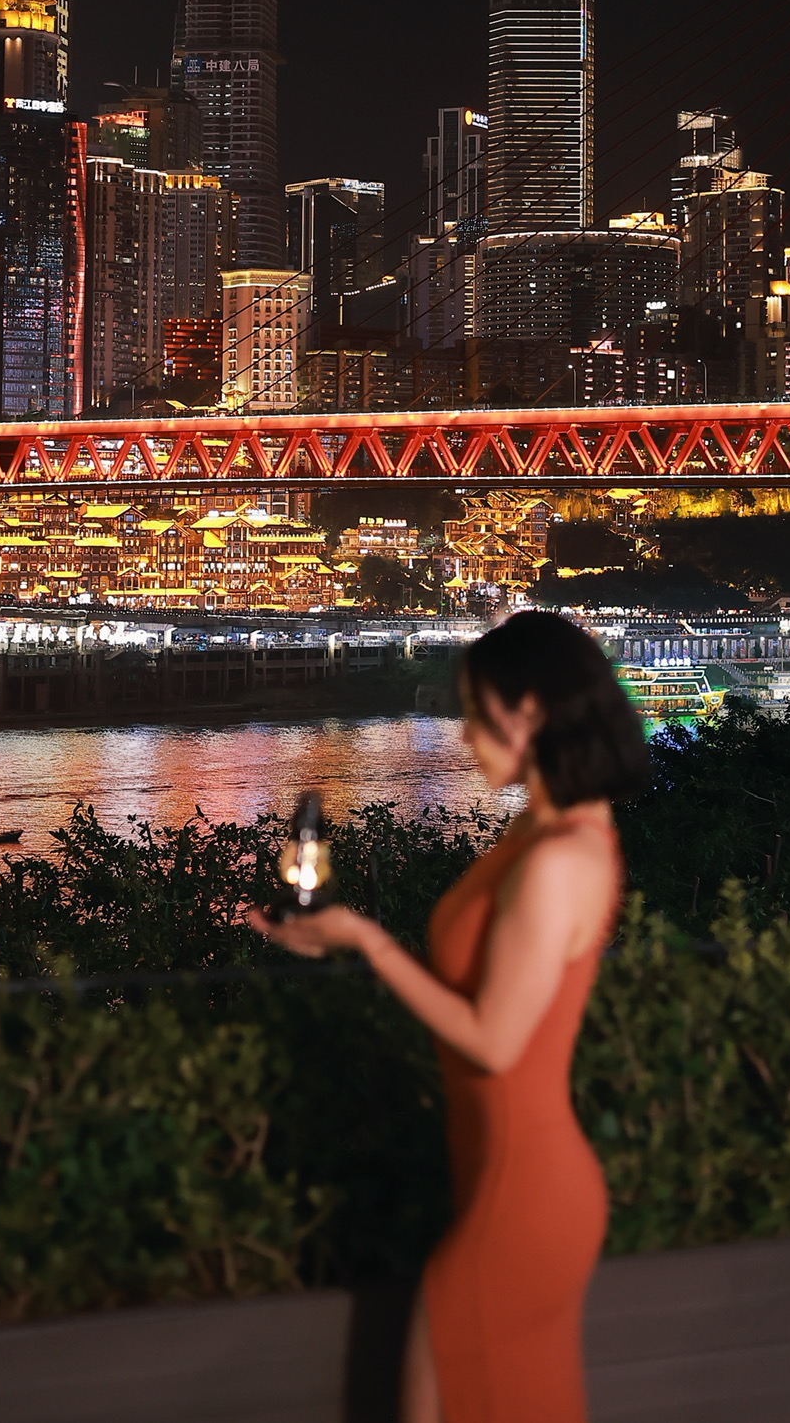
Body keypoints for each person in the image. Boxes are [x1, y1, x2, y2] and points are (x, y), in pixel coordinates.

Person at [250, 609, 648, 1423]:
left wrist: (368, 941)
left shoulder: (559, 857)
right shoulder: (548, 829)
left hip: (522, 1194)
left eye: (474, 711)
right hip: (507, 1181)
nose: (463, 734)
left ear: (528, 711)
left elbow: (495, 1042)